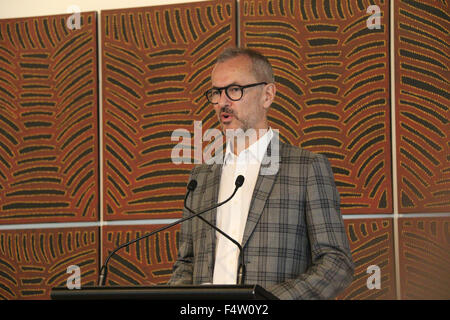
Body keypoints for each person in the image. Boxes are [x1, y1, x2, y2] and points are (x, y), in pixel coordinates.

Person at [168, 47, 354, 300]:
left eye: (234, 90)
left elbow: (336, 263)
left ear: (267, 95)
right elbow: (186, 263)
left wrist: (266, 302)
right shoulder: (200, 177)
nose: (223, 102)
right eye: (216, 92)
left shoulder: (306, 168)